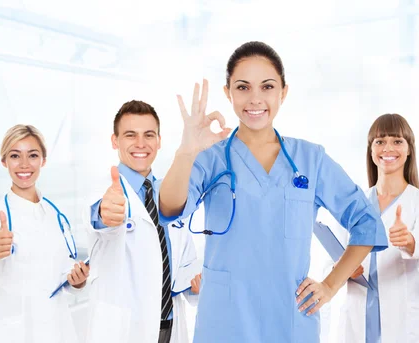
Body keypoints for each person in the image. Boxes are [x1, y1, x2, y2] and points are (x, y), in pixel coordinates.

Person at [157, 41, 388, 343]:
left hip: (289, 320)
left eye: (267, 87)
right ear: (228, 93)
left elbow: (366, 223)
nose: (255, 99)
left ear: (284, 92)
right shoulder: (210, 156)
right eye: (243, 87)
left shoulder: (310, 159)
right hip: (224, 320)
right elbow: (171, 208)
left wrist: (330, 286)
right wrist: (186, 151)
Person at [83, 101, 200, 343]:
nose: (140, 144)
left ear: (159, 140)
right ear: (115, 141)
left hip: (169, 325)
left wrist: (195, 282)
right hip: (124, 330)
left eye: (148, 135)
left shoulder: (170, 193)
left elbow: (183, 261)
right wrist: (107, 214)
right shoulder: (104, 188)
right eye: (130, 135)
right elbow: (99, 217)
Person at [0, 124, 89, 343]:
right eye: (14, 155)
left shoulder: (55, 214)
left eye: (32, 155)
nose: (24, 164)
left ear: (43, 161)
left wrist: (77, 281)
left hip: (56, 325)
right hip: (13, 328)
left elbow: (62, 270)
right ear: (4, 162)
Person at [338, 114, 419, 343]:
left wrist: (409, 240)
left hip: (404, 316)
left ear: (409, 149)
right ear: (371, 150)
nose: (388, 148)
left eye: (397, 141)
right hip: (359, 310)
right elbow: (333, 257)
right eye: (380, 141)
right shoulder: (356, 202)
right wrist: (342, 269)